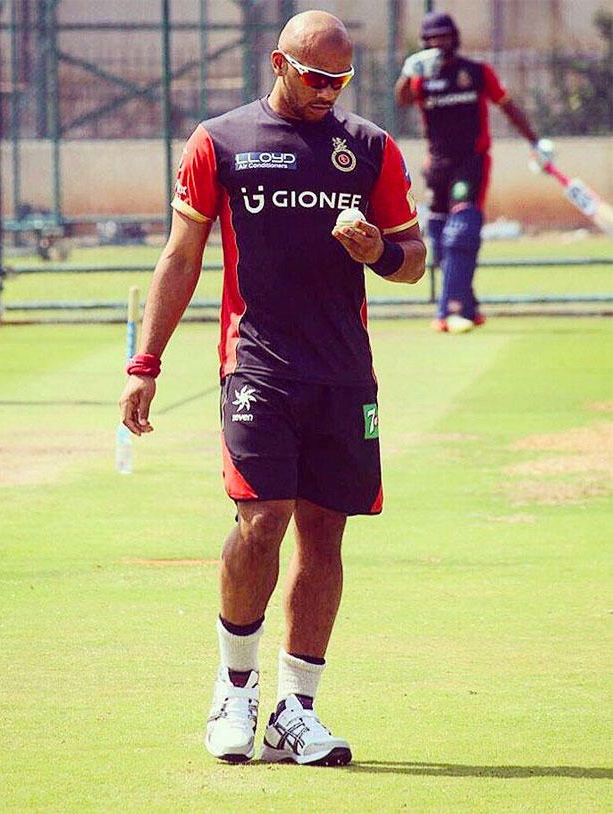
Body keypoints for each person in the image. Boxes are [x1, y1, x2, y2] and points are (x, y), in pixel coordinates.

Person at [119, 10, 425, 767]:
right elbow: (180, 258)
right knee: (263, 520)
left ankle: (297, 710)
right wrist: (145, 366)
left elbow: (414, 261)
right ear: (278, 64)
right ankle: (234, 689)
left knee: (325, 533)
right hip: (256, 363)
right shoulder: (219, 142)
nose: (328, 92)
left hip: (344, 372)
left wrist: (379, 250)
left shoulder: (370, 149)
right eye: (316, 77)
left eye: (341, 80)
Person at [395, 11, 554, 332]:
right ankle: (468, 305)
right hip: (437, 166)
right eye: (432, 38)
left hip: (472, 161)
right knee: (439, 243)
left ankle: (449, 311)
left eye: (444, 36)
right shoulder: (421, 77)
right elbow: (401, 101)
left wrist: (536, 143)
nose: (439, 43)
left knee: (461, 234)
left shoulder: (477, 72)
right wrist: (406, 73)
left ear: (455, 38)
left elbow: (507, 106)